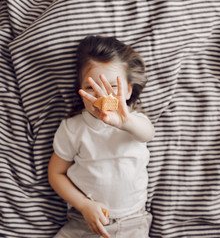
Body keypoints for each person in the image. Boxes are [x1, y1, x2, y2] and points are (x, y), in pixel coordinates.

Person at [48, 35, 155, 238]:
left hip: (132, 222)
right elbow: (56, 174)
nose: (103, 97)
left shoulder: (135, 122)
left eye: (113, 87)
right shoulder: (73, 128)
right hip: (85, 221)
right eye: (91, 87)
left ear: (129, 90)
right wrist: (84, 204)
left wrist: (126, 122)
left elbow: (148, 134)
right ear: (80, 91)